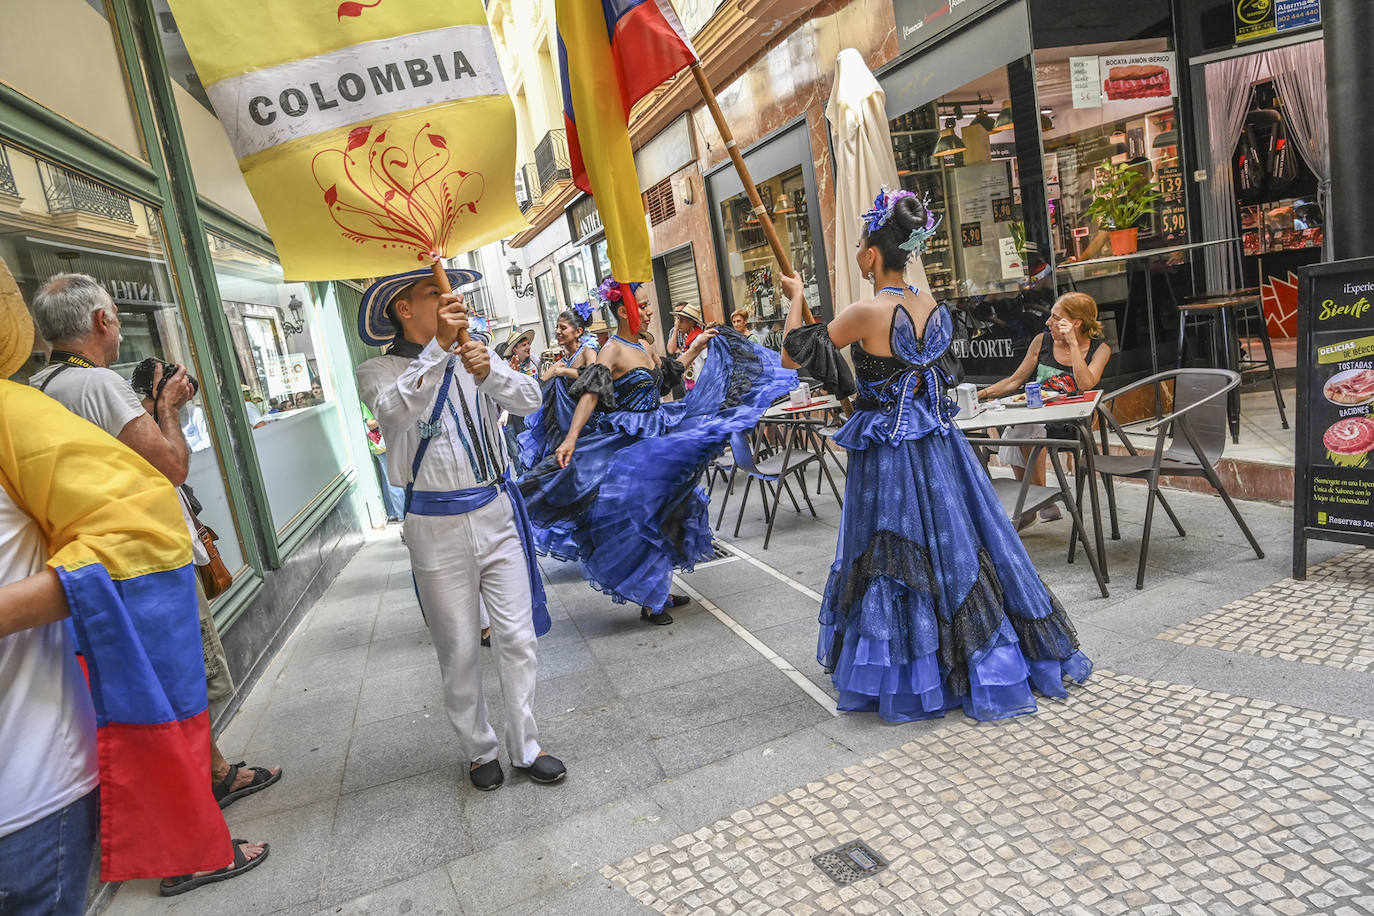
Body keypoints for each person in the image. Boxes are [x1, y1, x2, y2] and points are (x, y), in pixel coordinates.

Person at [0, 259, 263, 907]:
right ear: (103, 322)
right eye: (116, 318)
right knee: (178, 705)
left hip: (74, 619)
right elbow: (169, 467)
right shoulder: (100, 390)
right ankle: (185, 847)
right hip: (133, 587)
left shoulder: (40, 390)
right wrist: (168, 408)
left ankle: (215, 785)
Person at [780, 187, 1091, 723]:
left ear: (872, 254)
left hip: (890, 453)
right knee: (961, 543)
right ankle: (981, 655)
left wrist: (793, 299)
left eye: (859, 243)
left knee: (894, 554)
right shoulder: (933, 306)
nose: (857, 250)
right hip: (942, 446)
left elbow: (793, 354)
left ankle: (913, 671)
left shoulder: (865, 310)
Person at [355, 267, 565, 791]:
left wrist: (488, 372)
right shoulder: (376, 370)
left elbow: (531, 400)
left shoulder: (479, 349)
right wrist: (440, 352)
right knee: (460, 648)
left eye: (453, 292)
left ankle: (526, 745)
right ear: (405, 310)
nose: (452, 299)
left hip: (496, 509)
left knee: (517, 637)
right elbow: (391, 412)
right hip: (433, 523)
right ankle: (479, 749)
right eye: (436, 293)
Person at [519, 278, 795, 624]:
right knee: (642, 515)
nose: (650, 312)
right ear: (624, 311)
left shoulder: (645, 347)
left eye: (649, 305)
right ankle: (651, 600)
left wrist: (698, 347)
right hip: (631, 444)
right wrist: (572, 437)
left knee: (669, 509)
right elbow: (590, 396)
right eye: (644, 306)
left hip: (659, 432)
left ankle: (659, 588)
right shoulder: (612, 350)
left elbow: (666, 377)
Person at [977, 292, 1111, 524]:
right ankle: (1036, 502)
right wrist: (981, 394)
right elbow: (1015, 381)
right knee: (1018, 426)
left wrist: (1072, 343)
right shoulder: (1042, 341)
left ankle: (1031, 506)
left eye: (1055, 317)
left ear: (1075, 323)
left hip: (1071, 422)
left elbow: (1086, 383)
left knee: (1022, 428)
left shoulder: (1100, 349)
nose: (1048, 322)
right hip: (1036, 414)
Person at [519, 304, 597, 470]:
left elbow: (594, 375)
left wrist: (564, 372)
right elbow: (537, 386)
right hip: (562, 426)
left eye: (563, 328)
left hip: (586, 425)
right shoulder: (562, 362)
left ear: (578, 332)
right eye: (556, 327)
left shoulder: (587, 352)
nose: (557, 332)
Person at [362, 401, 406, 523]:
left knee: (388, 478)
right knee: (393, 478)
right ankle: (402, 513)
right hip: (383, 444)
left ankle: (392, 512)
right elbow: (370, 424)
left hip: (383, 444)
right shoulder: (368, 400)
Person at [666, 302, 705, 392]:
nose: (678, 321)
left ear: (691, 322)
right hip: (687, 374)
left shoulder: (700, 334)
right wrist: (676, 329)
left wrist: (681, 351)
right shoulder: (676, 330)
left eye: (682, 319)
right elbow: (671, 350)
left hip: (699, 377)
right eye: (677, 315)